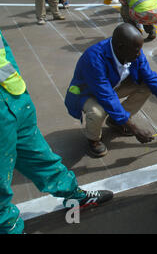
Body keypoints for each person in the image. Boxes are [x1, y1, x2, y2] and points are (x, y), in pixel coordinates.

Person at [0, 30, 113, 234]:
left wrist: (20, 94)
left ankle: (73, 195)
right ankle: (9, 228)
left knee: (40, 156)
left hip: (14, 99)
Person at [64, 23, 157, 158]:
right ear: (121, 47)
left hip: (112, 85)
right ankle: (93, 139)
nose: (139, 54)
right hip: (87, 93)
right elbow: (107, 98)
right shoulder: (94, 59)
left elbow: (150, 77)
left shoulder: (132, 50)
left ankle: (116, 122)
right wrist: (135, 129)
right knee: (98, 112)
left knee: (146, 85)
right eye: (136, 50)